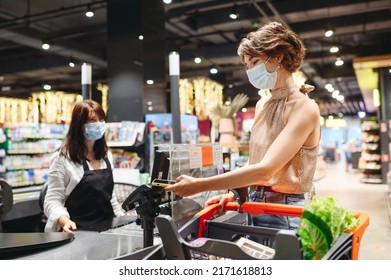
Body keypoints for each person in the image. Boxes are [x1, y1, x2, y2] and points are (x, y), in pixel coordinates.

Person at [165, 21, 321, 230]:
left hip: (285, 210)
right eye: (247, 65)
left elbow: (265, 171)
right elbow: (254, 163)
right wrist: (233, 191)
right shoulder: (262, 104)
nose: (250, 70)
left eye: (255, 61)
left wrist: (199, 185)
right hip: (254, 203)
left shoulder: (304, 108)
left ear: (278, 57)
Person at [44, 100, 124, 232]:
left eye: (101, 119)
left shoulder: (105, 155)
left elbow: (110, 197)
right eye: (92, 120)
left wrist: (121, 218)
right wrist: (64, 220)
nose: (98, 123)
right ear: (79, 124)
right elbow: (52, 200)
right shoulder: (62, 159)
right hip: (78, 231)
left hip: (108, 230)